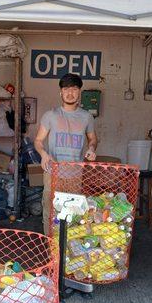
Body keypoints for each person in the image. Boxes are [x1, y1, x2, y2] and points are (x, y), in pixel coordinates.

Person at [34, 73, 98, 235]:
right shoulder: (50, 115)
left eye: (74, 89)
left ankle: (67, 252)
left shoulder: (87, 117)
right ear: (60, 92)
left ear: (79, 92)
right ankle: (52, 250)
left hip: (75, 175)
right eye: (66, 89)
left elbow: (93, 139)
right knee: (50, 213)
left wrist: (91, 149)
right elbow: (38, 141)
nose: (70, 93)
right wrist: (43, 154)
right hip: (52, 173)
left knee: (73, 214)